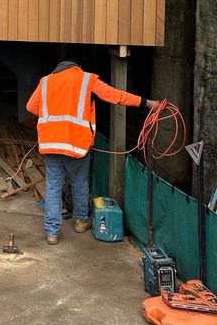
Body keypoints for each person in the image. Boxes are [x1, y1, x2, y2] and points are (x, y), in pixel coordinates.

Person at [26, 59, 158, 245]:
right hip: (76, 144)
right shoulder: (87, 79)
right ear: (77, 67)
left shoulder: (46, 81)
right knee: (79, 184)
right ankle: (80, 221)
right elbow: (115, 96)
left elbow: (31, 107)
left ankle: (52, 233)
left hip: (50, 144)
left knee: (53, 188)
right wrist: (146, 103)